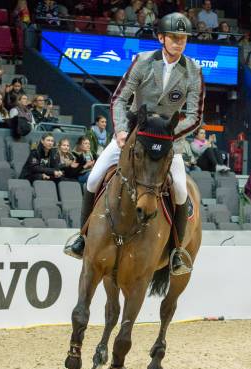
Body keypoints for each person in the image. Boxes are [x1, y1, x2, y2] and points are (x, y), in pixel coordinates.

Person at [65, 13, 204, 268]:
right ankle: (82, 238)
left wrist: (167, 134)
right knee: (95, 177)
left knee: (182, 191)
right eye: (174, 37)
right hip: (132, 134)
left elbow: (195, 116)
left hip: (168, 140)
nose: (179, 42)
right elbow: (119, 98)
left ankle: (175, 254)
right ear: (161, 38)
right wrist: (119, 131)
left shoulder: (193, 70)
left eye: (183, 38)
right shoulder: (142, 61)